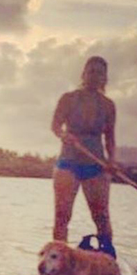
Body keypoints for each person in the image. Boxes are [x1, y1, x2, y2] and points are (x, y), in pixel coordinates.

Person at [50, 56, 117, 256]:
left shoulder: (108, 105)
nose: (94, 76)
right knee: (62, 216)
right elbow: (55, 126)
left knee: (101, 216)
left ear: (105, 78)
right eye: (91, 71)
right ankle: (59, 261)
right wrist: (63, 135)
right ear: (83, 74)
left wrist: (111, 162)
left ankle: (107, 260)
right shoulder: (68, 98)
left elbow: (110, 138)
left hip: (95, 166)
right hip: (68, 163)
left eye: (99, 72)